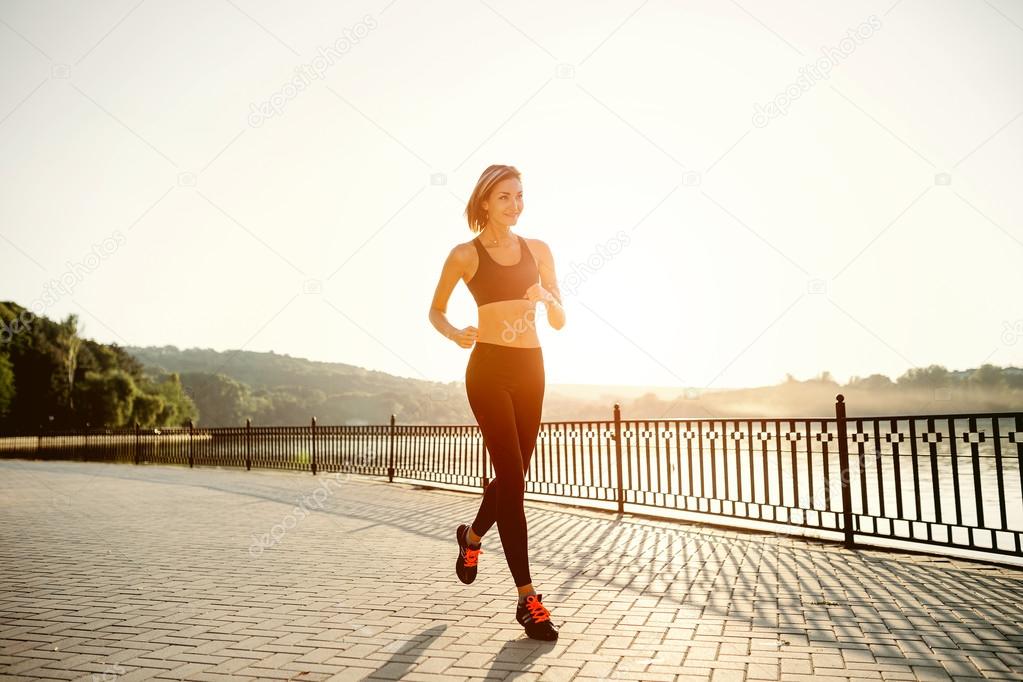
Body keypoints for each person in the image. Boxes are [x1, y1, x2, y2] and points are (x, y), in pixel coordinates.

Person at [428, 164, 566, 641]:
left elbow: (562, 319)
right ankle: (528, 599)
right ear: (484, 201)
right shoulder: (464, 255)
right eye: (504, 196)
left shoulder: (540, 250)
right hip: (487, 370)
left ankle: (471, 538)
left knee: (513, 479)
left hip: (532, 370)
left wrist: (547, 297)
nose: (515, 204)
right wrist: (454, 334)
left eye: (520, 196)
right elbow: (436, 309)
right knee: (512, 480)